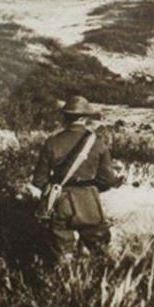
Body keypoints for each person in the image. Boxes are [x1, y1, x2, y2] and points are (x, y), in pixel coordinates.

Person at [29, 96, 122, 260]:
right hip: (89, 202)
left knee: (63, 255)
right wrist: (90, 189)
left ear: (65, 117)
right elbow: (107, 181)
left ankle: (64, 280)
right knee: (99, 252)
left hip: (61, 202)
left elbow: (38, 180)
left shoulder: (52, 143)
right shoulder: (97, 143)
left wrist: (53, 190)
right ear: (85, 118)